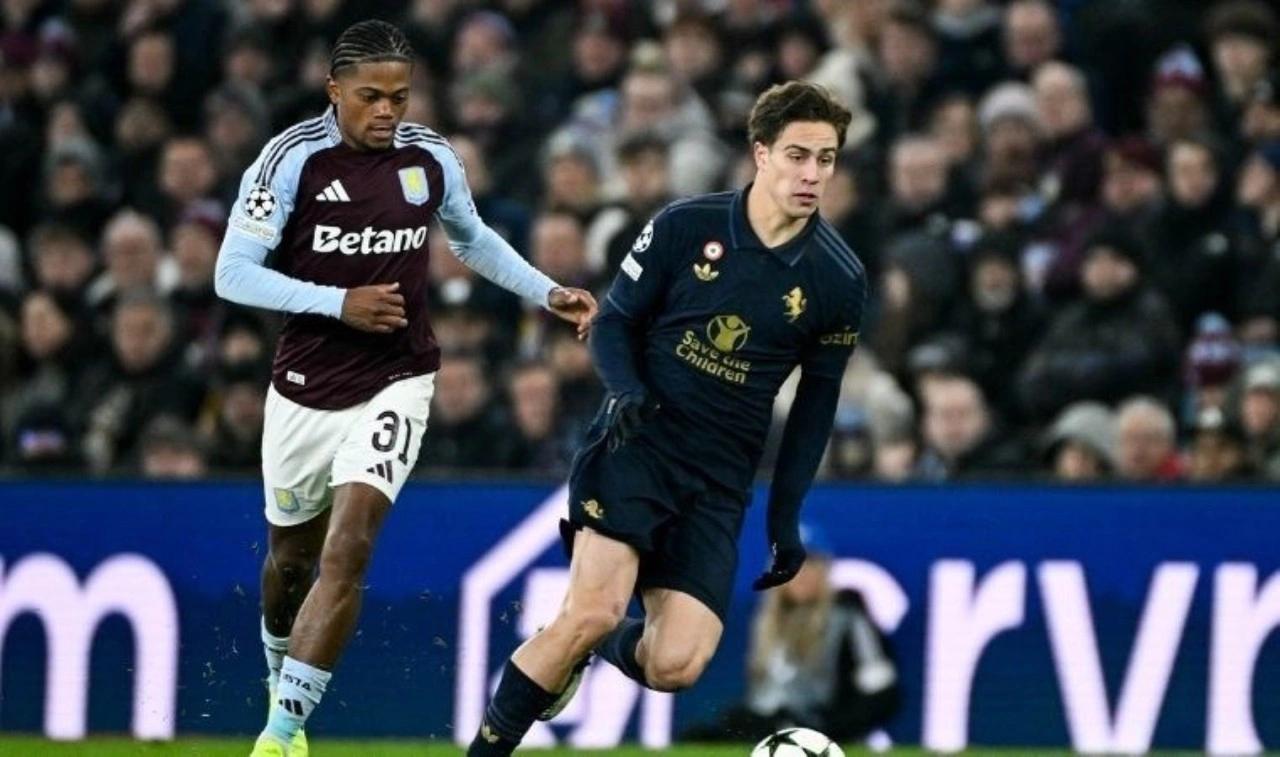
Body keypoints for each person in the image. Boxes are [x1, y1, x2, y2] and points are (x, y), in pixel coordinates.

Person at [212, 21, 597, 757]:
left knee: (350, 544)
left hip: (400, 377)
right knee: (290, 561)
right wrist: (339, 302)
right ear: (334, 91)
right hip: (303, 386)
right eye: (371, 97)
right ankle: (277, 683)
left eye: (400, 96)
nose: (387, 111)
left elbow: (471, 238)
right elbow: (232, 274)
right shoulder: (290, 160)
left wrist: (546, 291)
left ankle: (281, 734)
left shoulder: (430, 157)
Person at [467, 80, 867, 756]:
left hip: (719, 478)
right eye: (798, 155)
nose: (812, 174)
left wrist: (785, 518)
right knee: (592, 609)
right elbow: (612, 322)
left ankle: (578, 650)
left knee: (675, 664)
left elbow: (815, 407)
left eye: (825, 160)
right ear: (761, 153)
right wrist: (627, 391)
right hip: (638, 443)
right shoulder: (686, 225)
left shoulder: (838, 277)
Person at [680, 522, 901, 744]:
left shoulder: (847, 618)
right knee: (699, 737)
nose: (798, 574)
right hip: (767, 726)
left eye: (809, 565)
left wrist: (829, 726)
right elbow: (763, 696)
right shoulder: (765, 622)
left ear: (824, 571)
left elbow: (880, 693)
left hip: (822, 727)